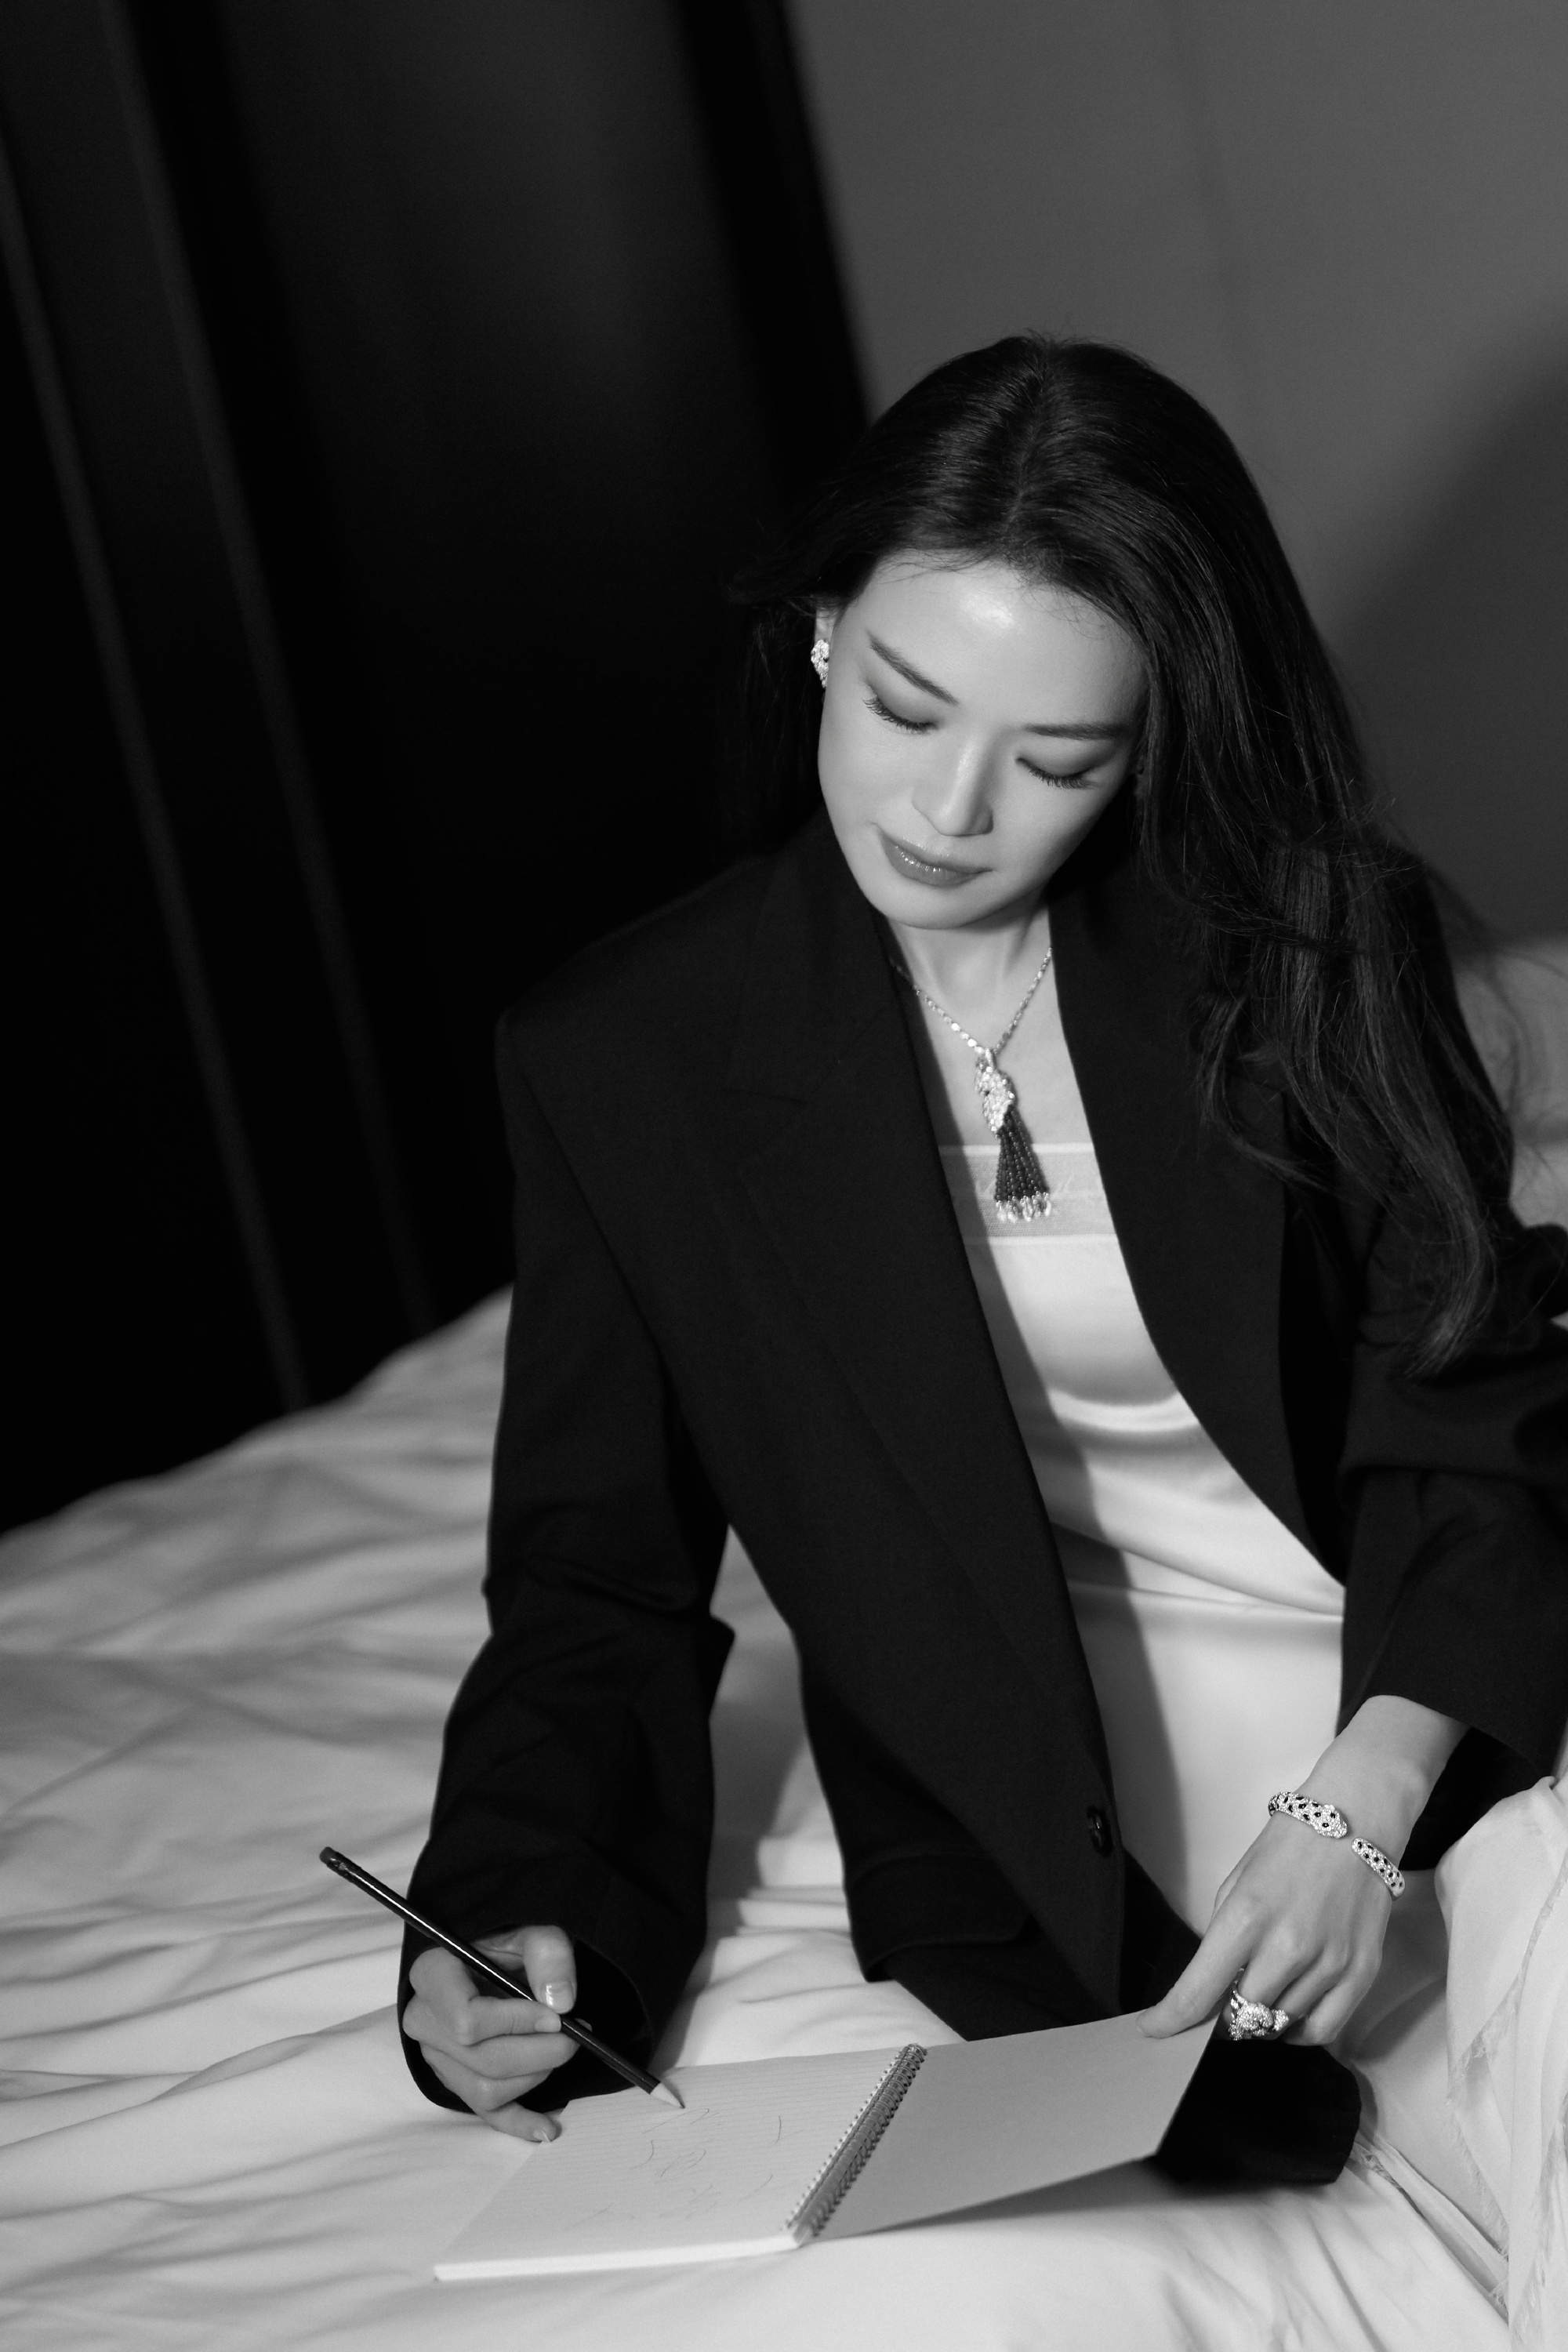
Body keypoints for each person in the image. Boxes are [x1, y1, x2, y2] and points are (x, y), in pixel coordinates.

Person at [397, 337, 1568, 2195]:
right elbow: (592, 1577)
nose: (948, 812)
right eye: (903, 704)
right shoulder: (626, 1058)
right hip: (1045, 1800)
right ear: (819, 633)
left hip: (1434, 1693)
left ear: (1149, 741)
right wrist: (518, 1916)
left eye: (1054, 760)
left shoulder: (1308, 946)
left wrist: (1374, 1791)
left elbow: (1471, 1416)